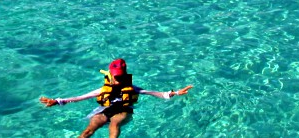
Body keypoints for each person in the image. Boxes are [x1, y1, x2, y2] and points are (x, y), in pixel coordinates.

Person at [39, 58, 193, 138]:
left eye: (120, 78)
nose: (118, 81)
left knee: (114, 125)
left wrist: (175, 93)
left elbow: (155, 93)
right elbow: (81, 97)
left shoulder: (131, 88)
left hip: (123, 111)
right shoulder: (103, 89)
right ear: (110, 76)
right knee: (89, 130)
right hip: (105, 109)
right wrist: (58, 101)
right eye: (116, 78)